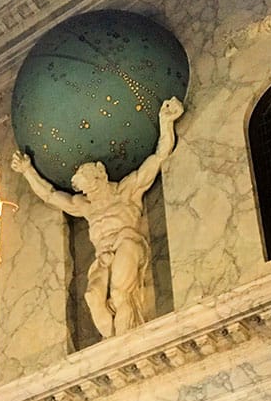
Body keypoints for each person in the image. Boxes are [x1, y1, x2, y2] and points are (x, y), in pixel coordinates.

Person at [11, 97, 184, 338]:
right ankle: (111, 345)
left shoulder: (127, 190)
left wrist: (166, 122)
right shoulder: (85, 207)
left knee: (119, 294)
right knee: (93, 297)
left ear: (101, 174)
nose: (86, 191)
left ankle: (125, 344)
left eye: (88, 182)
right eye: (83, 188)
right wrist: (28, 171)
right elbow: (50, 196)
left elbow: (158, 157)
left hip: (128, 244)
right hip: (102, 256)